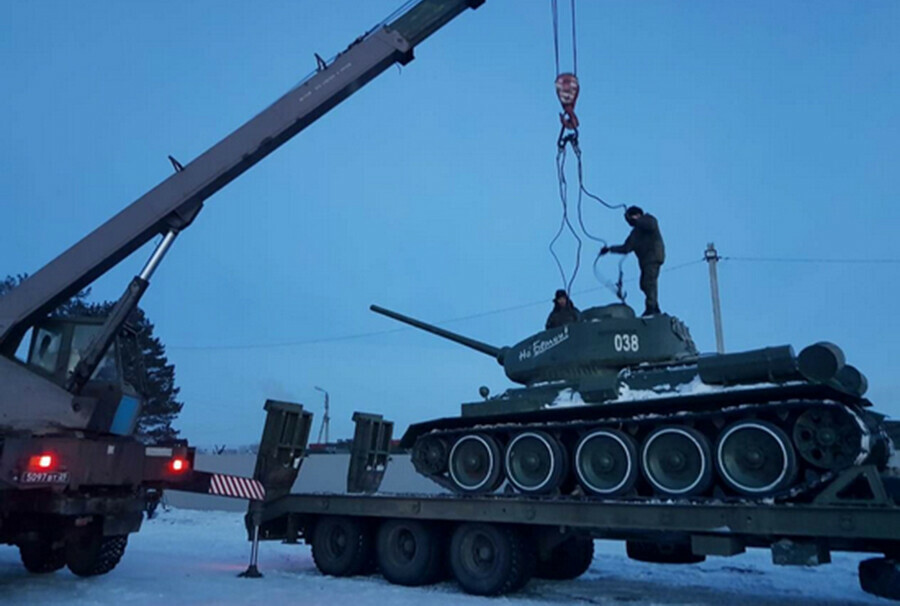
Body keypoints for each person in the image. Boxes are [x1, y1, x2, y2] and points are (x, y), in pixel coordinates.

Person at [600, 206, 665, 316]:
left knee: (649, 283)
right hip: (645, 261)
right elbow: (626, 248)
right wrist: (610, 249)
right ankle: (654, 306)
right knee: (644, 284)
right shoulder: (635, 234)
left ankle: (651, 308)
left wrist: (638, 219)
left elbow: (651, 225)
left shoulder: (648, 220)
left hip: (653, 257)